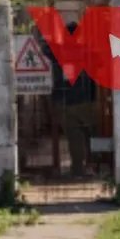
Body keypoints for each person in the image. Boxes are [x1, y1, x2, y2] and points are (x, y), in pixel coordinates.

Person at [42, 22, 100, 177]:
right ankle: (93, 165)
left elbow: (44, 50)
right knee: (90, 134)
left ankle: (78, 168)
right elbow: (100, 62)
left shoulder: (59, 51)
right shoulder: (88, 50)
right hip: (88, 98)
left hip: (66, 99)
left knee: (74, 136)